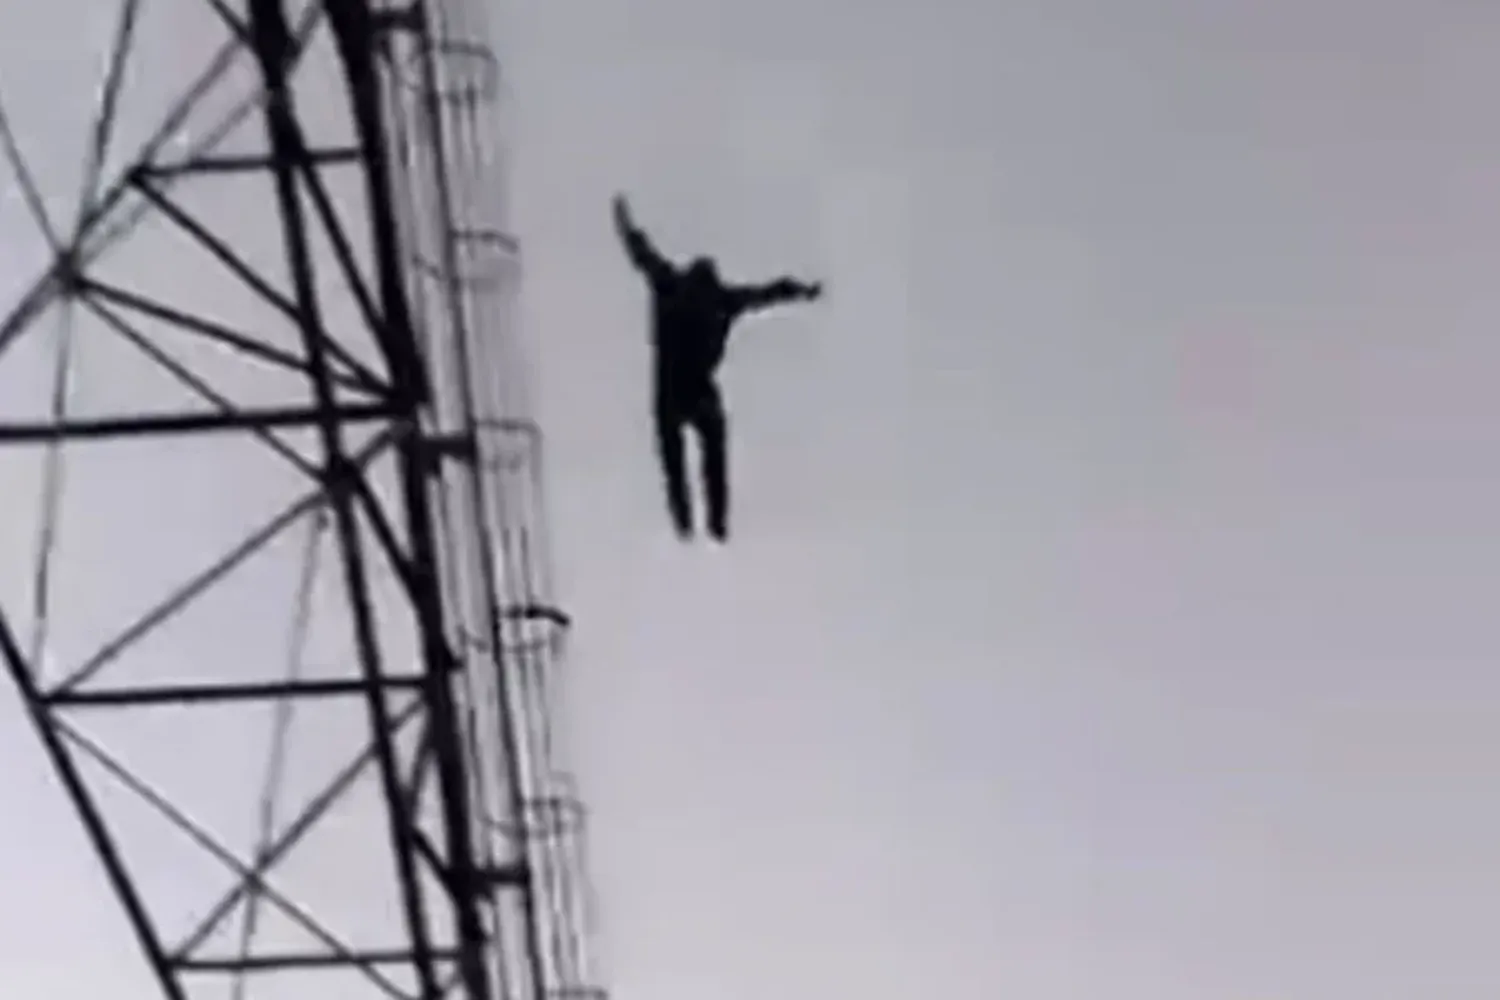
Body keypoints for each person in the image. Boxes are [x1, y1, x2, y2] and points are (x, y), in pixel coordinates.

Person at [612, 193, 823, 542]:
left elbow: (641, 254)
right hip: (694, 386)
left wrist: (624, 224)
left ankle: (692, 520)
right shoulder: (718, 298)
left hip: (672, 384)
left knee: (677, 454)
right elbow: (769, 292)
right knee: (708, 446)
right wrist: (801, 292)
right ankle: (712, 520)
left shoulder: (676, 285)